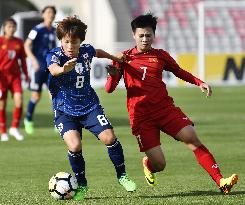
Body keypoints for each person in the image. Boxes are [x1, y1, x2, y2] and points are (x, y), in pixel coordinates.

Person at [105, 13, 238, 195]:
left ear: (154, 35)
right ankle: (148, 165)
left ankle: (221, 181)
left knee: (191, 137)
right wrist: (113, 74)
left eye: (148, 35)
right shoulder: (123, 57)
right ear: (133, 35)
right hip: (141, 116)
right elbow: (109, 89)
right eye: (141, 35)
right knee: (160, 164)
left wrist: (199, 82)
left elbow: (179, 71)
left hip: (164, 109)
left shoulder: (160, 56)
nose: (145, 39)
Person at [46, 16, 136, 201]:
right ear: (61, 40)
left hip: (89, 106)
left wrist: (113, 59)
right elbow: (54, 69)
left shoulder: (86, 51)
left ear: (81, 41)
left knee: (110, 137)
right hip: (64, 110)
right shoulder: (55, 55)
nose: (70, 46)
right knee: (75, 145)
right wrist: (64, 69)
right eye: (66, 41)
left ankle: (122, 175)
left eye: (75, 42)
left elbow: (97, 52)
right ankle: (83, 185)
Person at [24, 6, 57, 134]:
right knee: (36, 96)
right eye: (48, 12)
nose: (50, 15)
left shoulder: (55, 31)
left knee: (54, 95)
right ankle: (28, 119)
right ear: (43, 14)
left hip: (51, 68)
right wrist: (33, 60)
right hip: (39, 68)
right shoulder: (37, 29)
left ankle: (58, 122)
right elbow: (26, 45)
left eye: (52, 13)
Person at [0, 18, 28, 141]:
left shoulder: (19, 42)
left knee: (19, 101)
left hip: (15, 76)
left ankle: (14, 128)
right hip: (2, 77)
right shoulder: (0, 41)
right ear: (4, 28)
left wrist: (26, 75)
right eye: (9, 26)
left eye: (13, 26)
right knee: (2, 104)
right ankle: (4, 131)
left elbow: (22, 60)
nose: (12, 28)